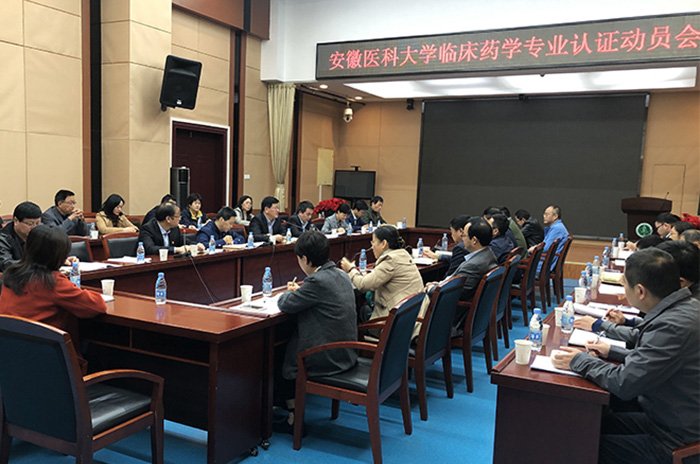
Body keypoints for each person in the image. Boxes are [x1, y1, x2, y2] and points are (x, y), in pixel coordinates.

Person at [552, 248, 700, 464]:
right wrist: (610, 351)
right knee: (589, 425)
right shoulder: (686, 307)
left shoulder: (673, 326)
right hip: (669, 421)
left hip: (677, 442)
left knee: (580, 446)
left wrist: (579, 360)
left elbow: (624, 383)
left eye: (625, 285)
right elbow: (651, 353)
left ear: (640, 291)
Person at [275, 231, 358, 432]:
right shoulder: (341, 274)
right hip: (347, 352)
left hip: (329, 356)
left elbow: (284, 304)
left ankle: (294, 417)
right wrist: (301, 292)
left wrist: (288, 293)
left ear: (305, 259)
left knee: (279, 356)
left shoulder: (316, 281)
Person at [0, 225, 107, 346]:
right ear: (59, 256)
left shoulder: (12, 274)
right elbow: (97, 306)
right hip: (42, 350)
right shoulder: (52, 282)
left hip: (8, 348)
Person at [340, 225, 423, 324]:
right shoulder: (403, 254)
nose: (372, 247)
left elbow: (363, 284)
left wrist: (351, 269)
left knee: (360, 312)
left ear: (383, 244)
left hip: (397, 322)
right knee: (365, 310)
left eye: (373, 242)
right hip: (412, 315)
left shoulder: (390, 260)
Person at [428, 217, 497, 335]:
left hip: (454, 319)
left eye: (464, 235)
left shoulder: (474, 266)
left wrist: (431, 288)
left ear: (474, 240)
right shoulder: (488, 255)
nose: (462, 238)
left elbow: (451, 293)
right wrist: (440, 284)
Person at [139, 203, 205, 256]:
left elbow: (182, 240)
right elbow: (150, 249)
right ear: (168, 219)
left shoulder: (174, 228)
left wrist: (196, 245)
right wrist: (176, 249)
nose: (180, 219)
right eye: (178, 216)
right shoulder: (147, 229)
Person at [0, 202, 43, 272]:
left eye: (37, 224)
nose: (34, 227)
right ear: (16, 221)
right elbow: (6, 264)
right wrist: (36, 264)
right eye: (30, 224)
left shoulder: (39, 233)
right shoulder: (3, 239)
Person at [530, 204, 569, 273]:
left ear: (555, 216)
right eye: (544, 214)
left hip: (545, 264)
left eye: (547, 214)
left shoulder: (557, 229)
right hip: (547, 261)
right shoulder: (557, 227)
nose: (544, 216)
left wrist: (533, 248)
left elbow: (545, 248)